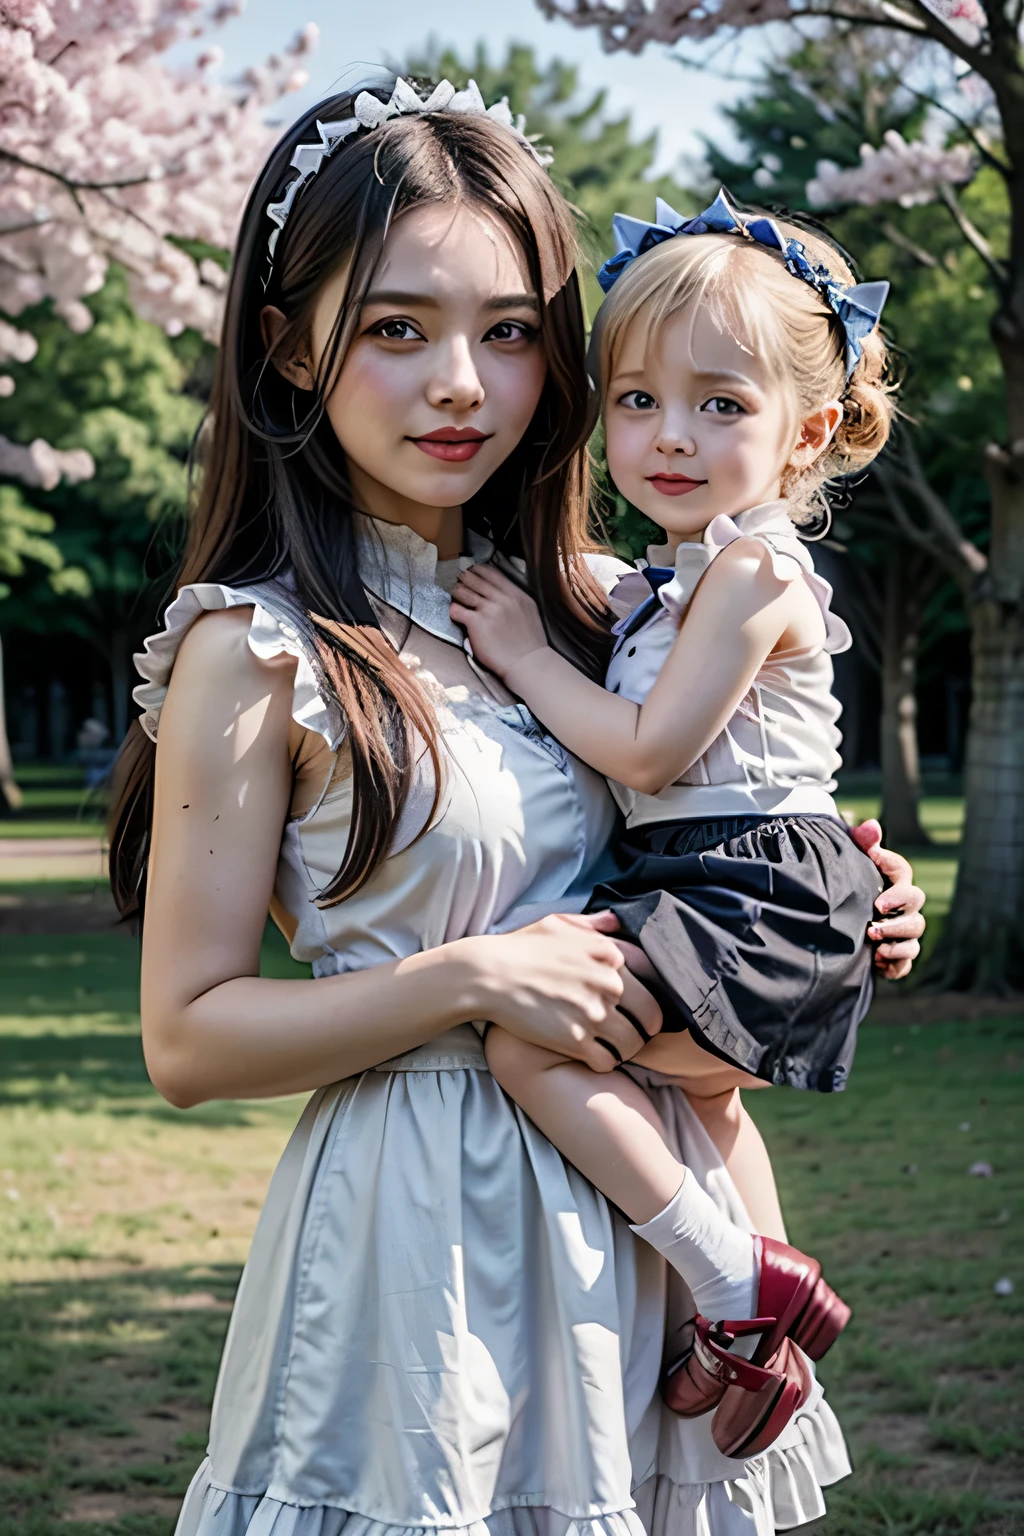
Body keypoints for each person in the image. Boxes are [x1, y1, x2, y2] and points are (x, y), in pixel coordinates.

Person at [109, 80, 925, 1536]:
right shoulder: (259, 650)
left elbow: (737, 814)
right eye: (396, 327)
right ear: (292, 347)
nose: (462, 386)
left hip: (647, 1236)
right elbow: (186, 1037)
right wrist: (476, 977)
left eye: (508, 334)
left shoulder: (610, 606)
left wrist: (862, 896)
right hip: (416, 1246)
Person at [450, 191, 900, 1454]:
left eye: (720, 404)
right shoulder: (669, 575)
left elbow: (654, 750)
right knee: (707, 1108)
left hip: (751, 886)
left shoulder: (750, 572)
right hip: (720, 873)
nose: (668, 437)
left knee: (531, 1048)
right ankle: (768, 1313)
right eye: (637, 399)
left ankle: (731, 1288)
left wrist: (531, 657)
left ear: (808, 430)